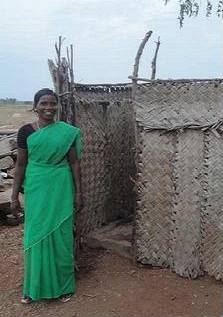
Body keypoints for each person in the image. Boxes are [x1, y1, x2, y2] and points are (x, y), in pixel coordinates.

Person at [10, 88, 82, 304]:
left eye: (53, 103)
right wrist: (14, 196)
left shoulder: (67, 132)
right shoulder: (26, 132)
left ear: (57, 106)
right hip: (36, 187)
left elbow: (75, 163)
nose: (48, 107)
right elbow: (21, 164)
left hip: (60, 186)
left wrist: (79, 192)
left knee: (61, 235)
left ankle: (63, 286)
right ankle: (32, 287)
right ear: (35, 107)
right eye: (44, 103)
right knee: (34, 235)